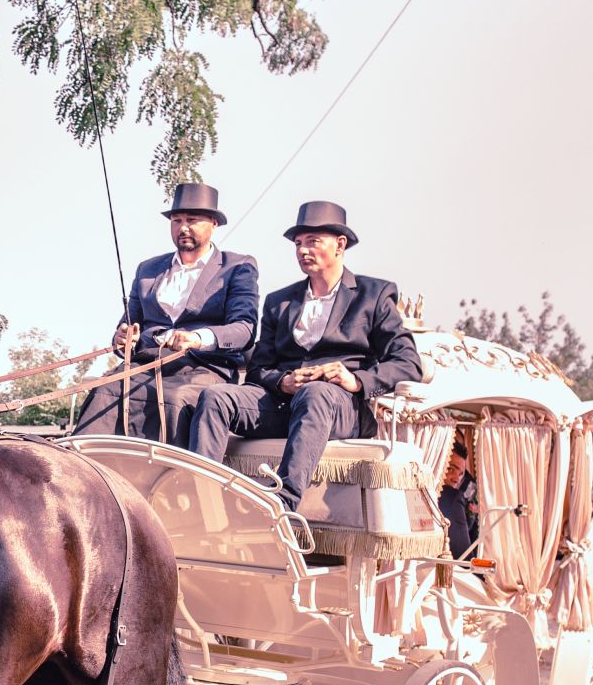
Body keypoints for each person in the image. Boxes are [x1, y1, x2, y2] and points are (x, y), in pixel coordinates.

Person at [189, 200, 422, 510]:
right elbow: (258, 368)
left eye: (313, 241)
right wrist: (284, 381)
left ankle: (281, 506)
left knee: (316, 394)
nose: (302, 250)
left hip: (340, 407)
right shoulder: (279, 302)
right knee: (215, 397)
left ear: (340, 245)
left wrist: (355, 380)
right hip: (284, 403)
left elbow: (408, 362)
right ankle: (204, 507)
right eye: (298, 243)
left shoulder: (374, 295)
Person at [72, 182, 258, 444]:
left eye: (192, 220)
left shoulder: (237, 267)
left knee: (174, 400)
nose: (183, 227)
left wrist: (197, 338)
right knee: (104, 391)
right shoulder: (148, 270)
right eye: (176, 220)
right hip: (145, 365)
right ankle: (88, 473)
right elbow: (128, 323)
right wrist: (123, 337)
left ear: (213, 223)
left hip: (204, 369)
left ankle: (172, 480)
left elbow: (244, 329)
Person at [440, 434, 478, 558]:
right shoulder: (451, 497)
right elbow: (464, 558)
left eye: (460, 474)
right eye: (450, 469)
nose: (456, 479)